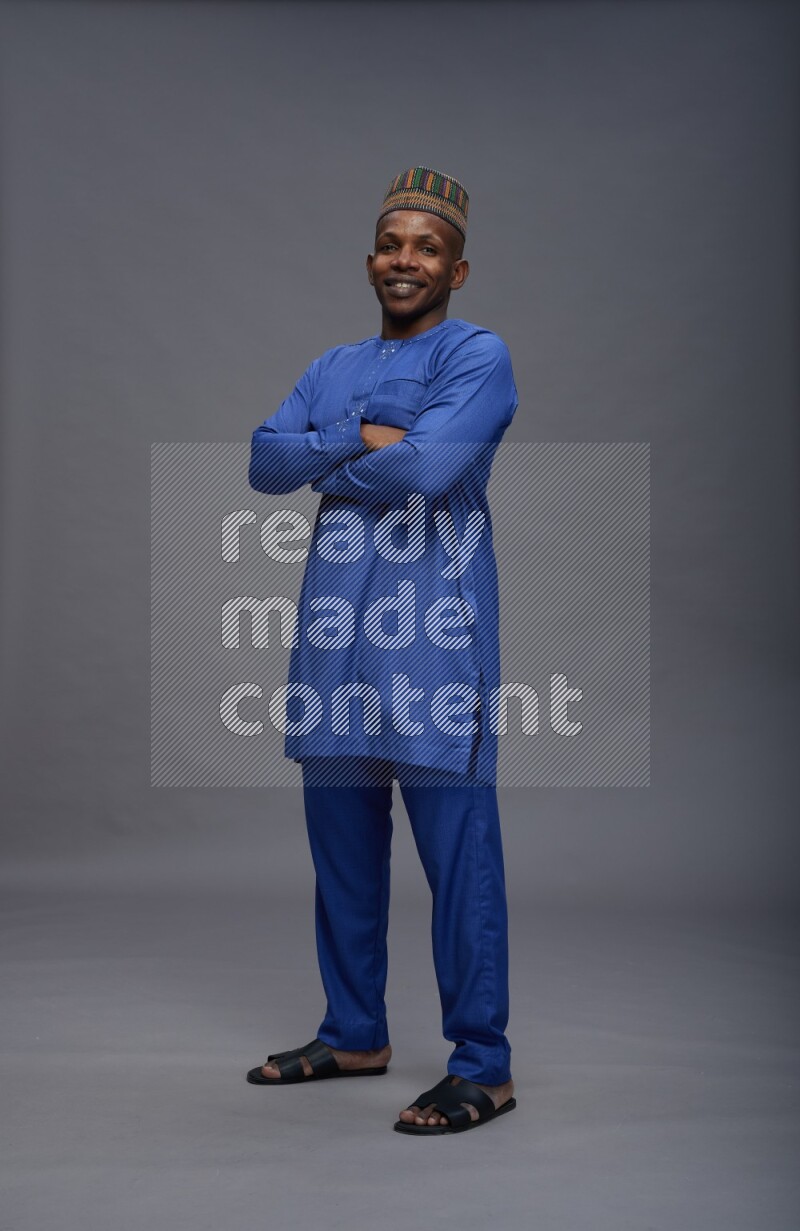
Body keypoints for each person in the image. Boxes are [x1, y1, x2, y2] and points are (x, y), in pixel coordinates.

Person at [246, 166, 519, 1135]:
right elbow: (263, 458)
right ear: (372, 258)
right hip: (333, 644)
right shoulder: (332, 364)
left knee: (457, 860)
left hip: (431, 642)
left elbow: (431, 463)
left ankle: (481, 1064)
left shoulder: (476, 355)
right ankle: (353, 1028)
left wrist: (333, 448)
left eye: (426, 247)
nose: (406, 259)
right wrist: (356, 432)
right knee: (343, 857)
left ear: (456, 266)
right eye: (391, 243)